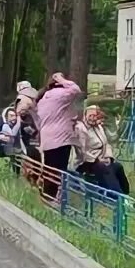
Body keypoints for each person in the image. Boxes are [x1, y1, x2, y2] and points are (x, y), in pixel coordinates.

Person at [36, 72, 83, 200]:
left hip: (47, 139)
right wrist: (62, 80)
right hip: (61, 139)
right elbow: (75, 89)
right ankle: (55, 199)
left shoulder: (43, 98)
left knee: (49, 169)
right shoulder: (60, 94)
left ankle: (46, 196)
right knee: (59, 171)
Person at [75, 105, 130, 194]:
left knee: (117, 166)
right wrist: (96, 159)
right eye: (90, 116)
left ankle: (126, 195)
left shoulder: (99, 127)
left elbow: (106, 144)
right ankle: (116, 196)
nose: (92, 118)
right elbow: (81, 151)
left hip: (101, 159)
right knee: (103, 168)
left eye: (95, 116)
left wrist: (108, 157)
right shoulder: (81, 129)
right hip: (85, 162)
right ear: (85, 115)